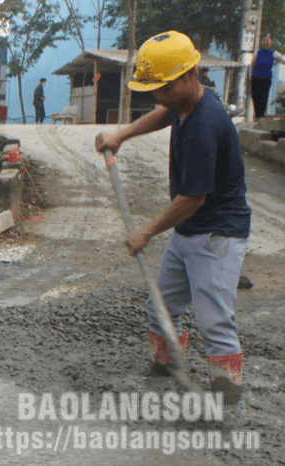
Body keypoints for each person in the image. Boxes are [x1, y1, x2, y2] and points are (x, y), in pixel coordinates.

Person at [95, 31, 251, 406]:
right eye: (154, 88)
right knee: (160, 303)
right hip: (188, 231)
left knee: (214, 320)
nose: (158, 95)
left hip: (216, 234)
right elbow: (164, 113)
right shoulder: (183, 103)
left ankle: (225, 398)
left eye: (163, 87)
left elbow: (193, 198)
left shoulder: (204, 125)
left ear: (190, 74)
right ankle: (167, 369)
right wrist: (123, 134)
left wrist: (146, 232)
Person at [250, 33, 285, 120]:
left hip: (266, 78)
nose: (266, 43)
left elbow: (282, 59)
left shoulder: (273, 53)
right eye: (264, 41)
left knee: (263, 96)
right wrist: (251, 75)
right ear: (262, 42)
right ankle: (257, 115)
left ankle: (261, 115)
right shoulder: (258, 52)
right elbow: (252, 64)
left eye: (268, 41)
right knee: (256, 96)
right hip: (256, 77)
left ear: (271, 43)